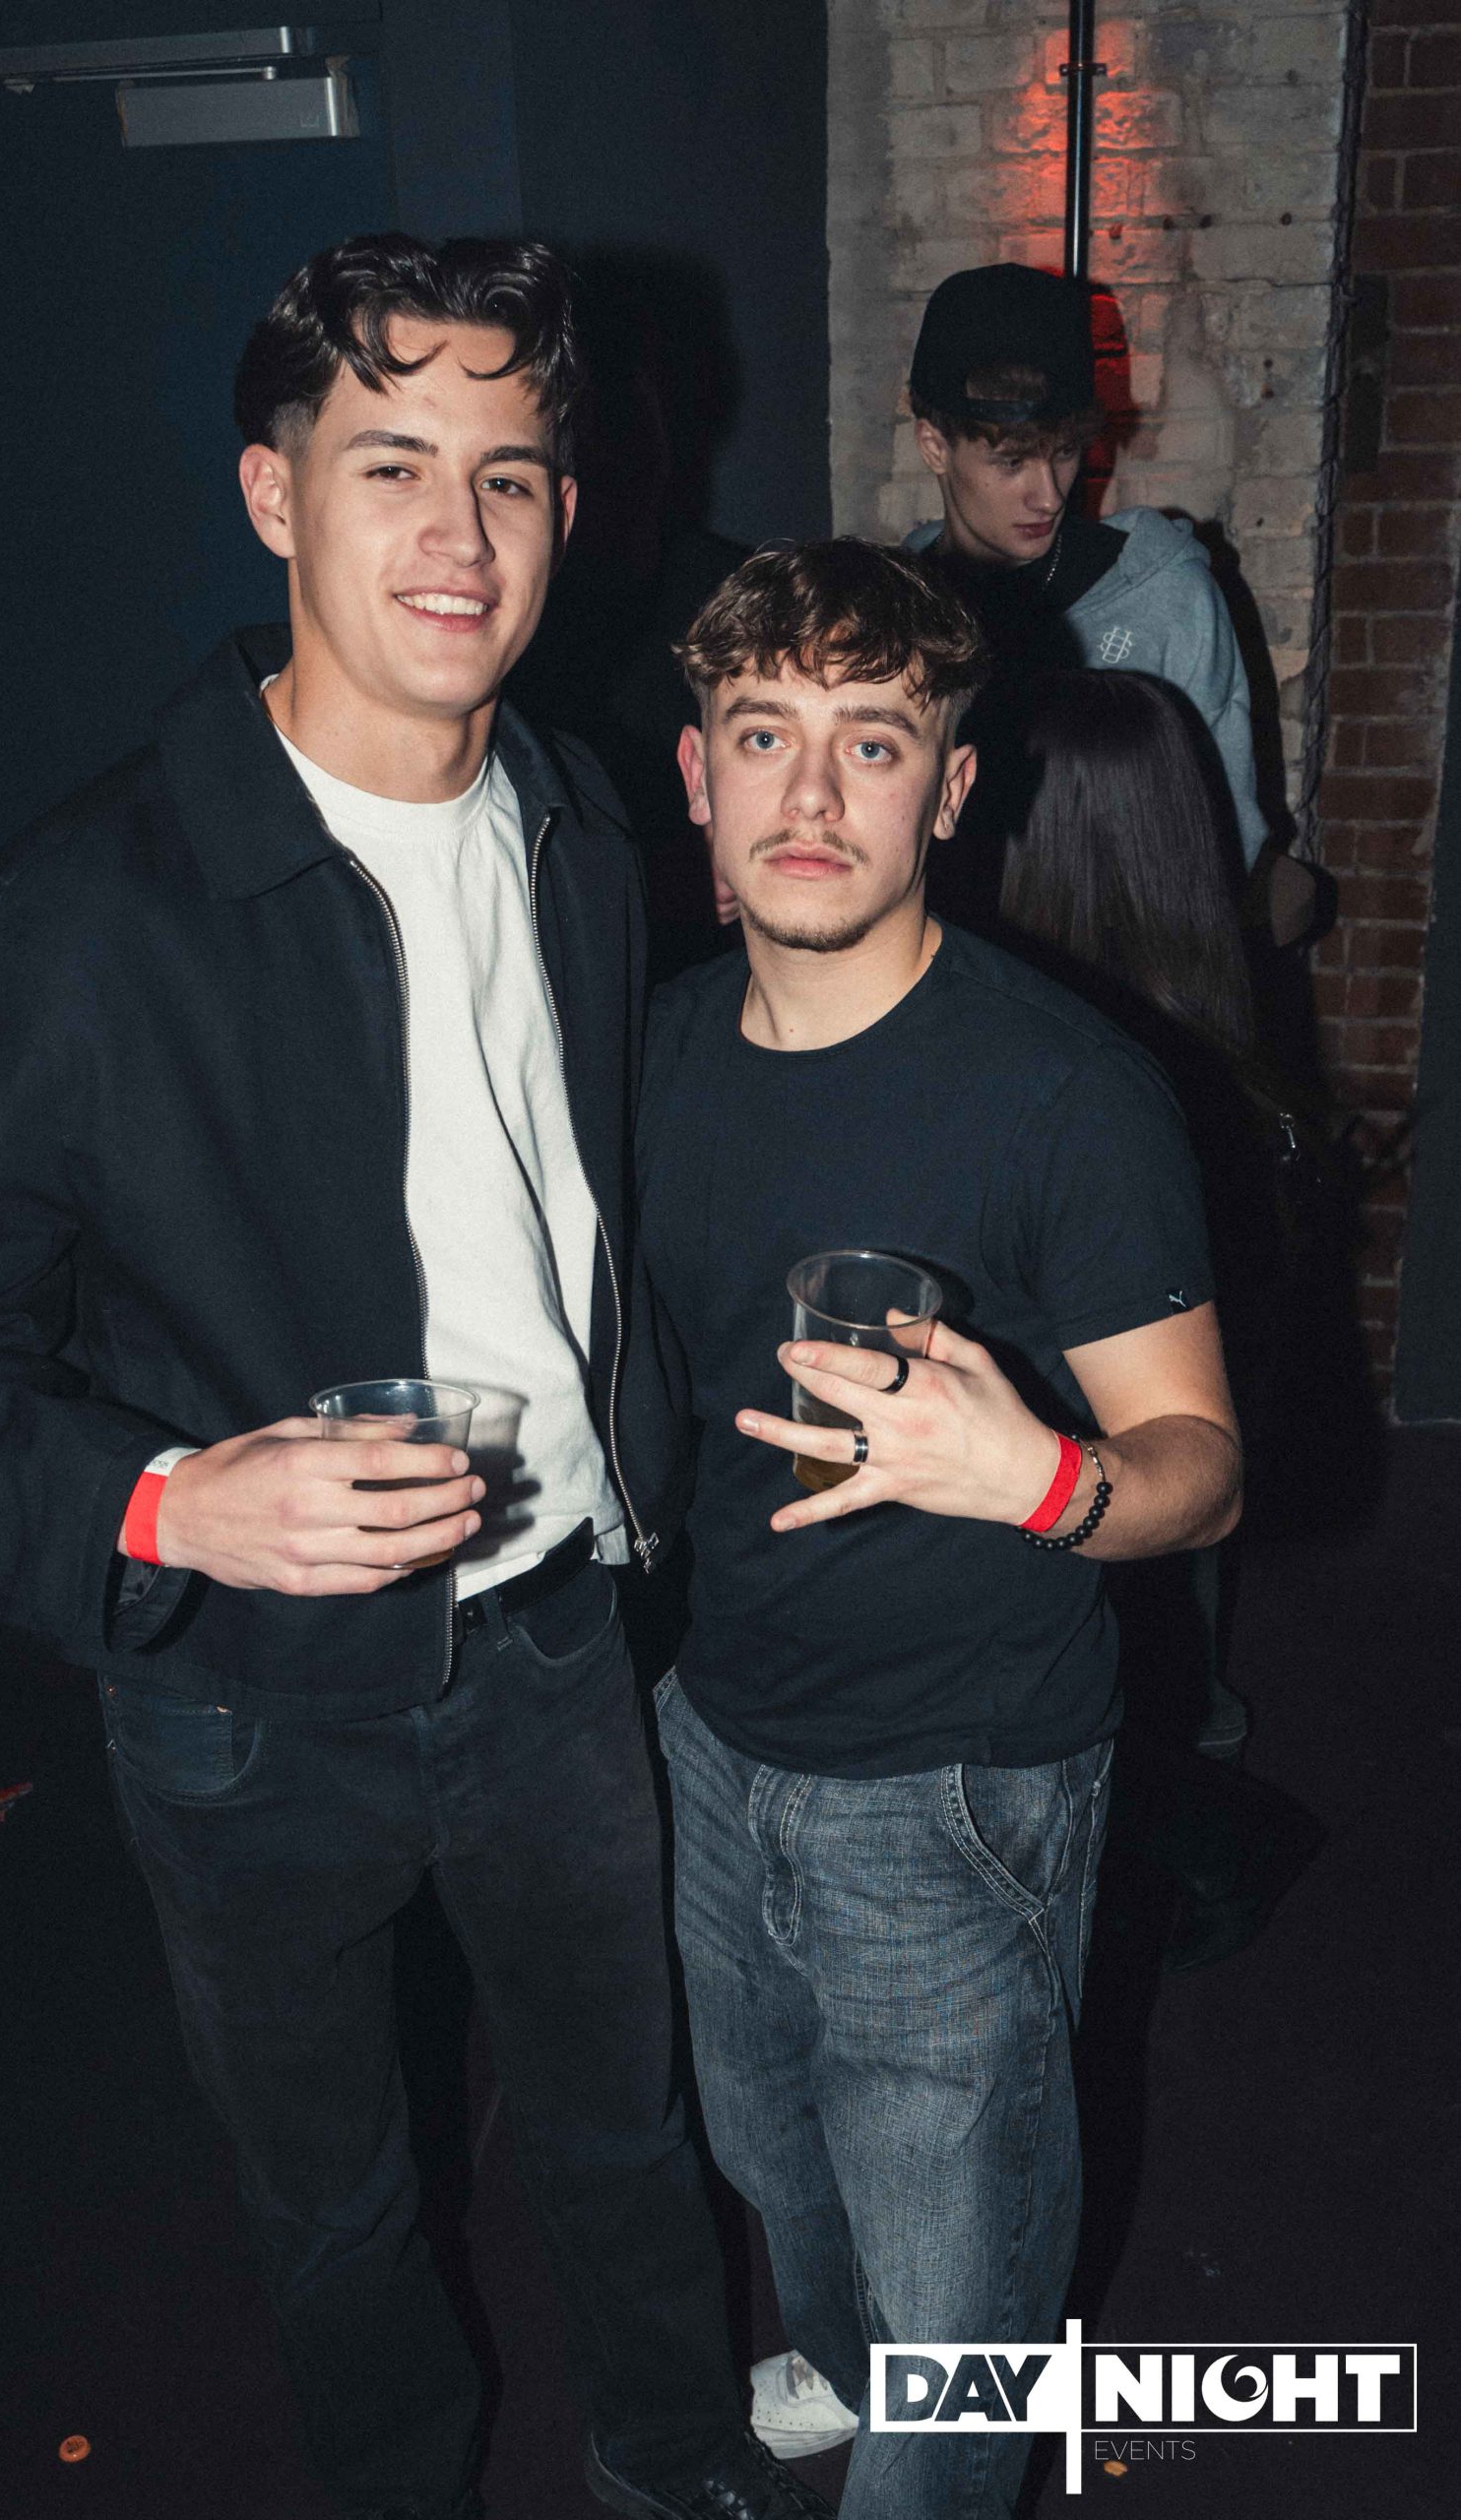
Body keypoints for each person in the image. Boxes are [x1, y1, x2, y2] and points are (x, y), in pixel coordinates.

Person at [0, 236, 827, 2520]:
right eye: (389, 465)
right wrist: (164, 1501)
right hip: (247, 1700)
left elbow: (570, 1210)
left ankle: (673, 2460)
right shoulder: (73, 922)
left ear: (568, 515)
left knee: (622, 2121)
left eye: (509, 476)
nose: (457, 534)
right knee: (332, 2195)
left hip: (555, 1636)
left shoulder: (571, 819)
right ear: (272, 494)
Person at [637, 539, 1242, 2518]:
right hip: (714, 1737)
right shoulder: (648, 1053)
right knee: (773, 2166)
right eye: (763, 736)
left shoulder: (1064, 1094)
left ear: (952, 788)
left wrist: (1042, 1477)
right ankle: (853, 2366)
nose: (811, 794)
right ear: (696, 775)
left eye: (873, 743)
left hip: (957, 1786)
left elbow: (1204, 1464)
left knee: (953, 2302)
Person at [996, 667, 1335, 1953]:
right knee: (1179, 1627)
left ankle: (1179, 1834)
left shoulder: (1057, 1071)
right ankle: (1194, 1784)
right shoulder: (1226, 1027)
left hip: (1080, 1500)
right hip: (1196, 1456)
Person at [900, 261, 1268, 878]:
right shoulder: (894, 605)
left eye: (1066, 453)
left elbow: (1227, 839)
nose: (1049, 496)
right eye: (1012, 462)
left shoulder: (1167, 598)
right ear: (935, 446)